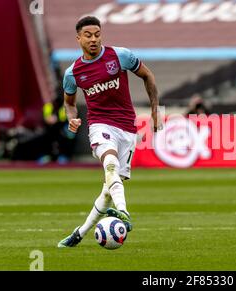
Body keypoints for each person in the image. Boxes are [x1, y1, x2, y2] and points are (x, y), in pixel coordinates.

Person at [58, 16, 161, 248]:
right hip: (100, 126)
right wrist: (72, 118)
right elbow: (69, 102)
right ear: (78, 38)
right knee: (110, 164)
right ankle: (123, 212)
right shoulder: (73, 73)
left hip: (127, 128)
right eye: (88, 35)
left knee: (108, 189)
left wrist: (157, 111)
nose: (93, 39)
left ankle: (79, 233)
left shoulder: (120, 56)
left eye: (97, 34)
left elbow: (148, 75)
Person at [37, 96, 76, 165]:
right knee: (44, 137)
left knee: (68, 137)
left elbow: (63, 120)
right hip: (48, 129)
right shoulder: (48, 106)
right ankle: (46, 156)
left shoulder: (64, 108)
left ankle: (63, 156)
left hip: (60, 129)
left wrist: (56, 119)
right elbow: (45, 118)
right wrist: (49, 119)